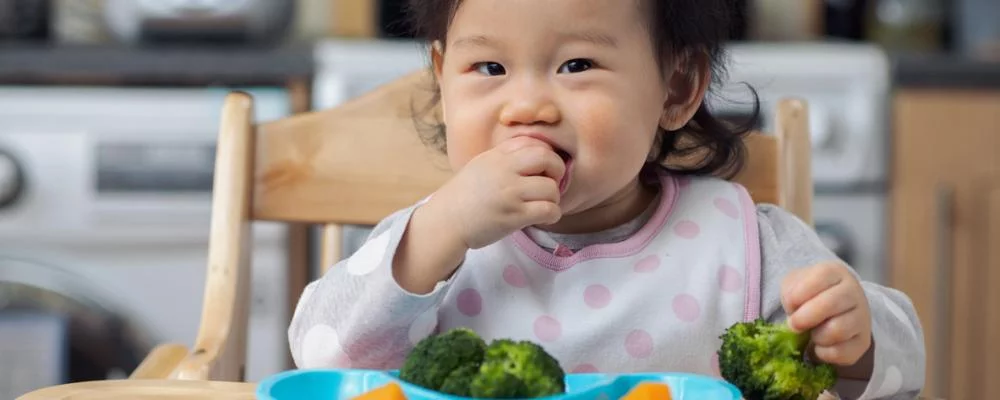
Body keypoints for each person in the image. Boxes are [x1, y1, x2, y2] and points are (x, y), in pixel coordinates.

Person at [288, 0, 925, 397]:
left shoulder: (745, 241)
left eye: (577, 66)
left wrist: (856, 338)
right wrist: (440, 229)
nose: (527, 105)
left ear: (676, 87)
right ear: (440, 78)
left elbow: (907, 369)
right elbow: (320, 352)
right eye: (489, 69)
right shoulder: (431, 246)